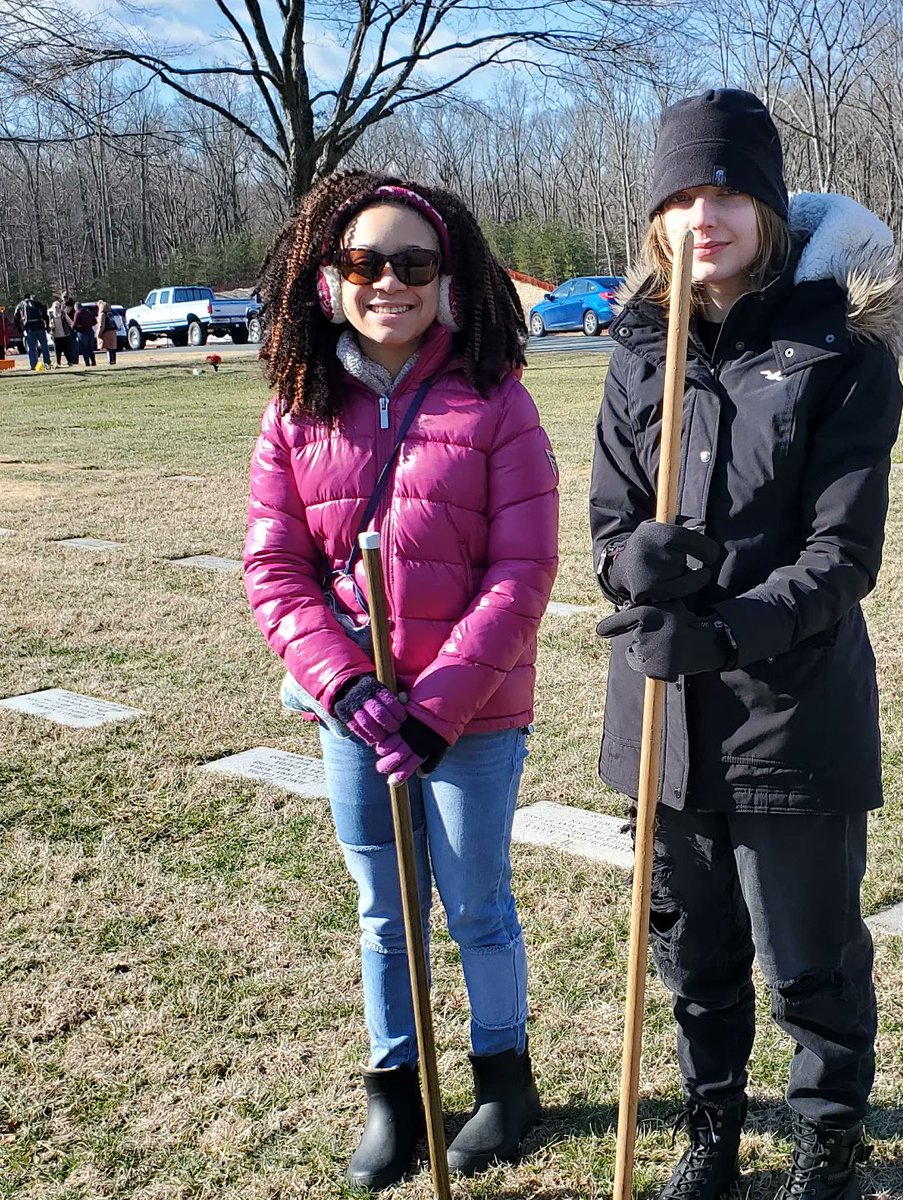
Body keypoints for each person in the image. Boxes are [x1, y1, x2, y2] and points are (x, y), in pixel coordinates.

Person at [590, 90, 903, 1200]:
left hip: (790, 708)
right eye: (679, 194)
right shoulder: (638, 346)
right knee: (695, 950)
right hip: (661, 720)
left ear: (768, 203)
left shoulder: (841, 349)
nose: (702, 213)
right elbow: (608, 522)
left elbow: (842, 555)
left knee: (807, 956)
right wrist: (637, 567)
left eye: (725, 189)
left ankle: (827, 1140)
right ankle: (709, 1131)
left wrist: (722, 631)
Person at [244, 171, 558, 1192]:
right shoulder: (297, 409)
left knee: (476, 909)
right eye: (366, 263)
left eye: (414, 264)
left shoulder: (497, 396)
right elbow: (274, 569)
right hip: (356, 717)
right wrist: (346, 688)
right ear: (328, 279)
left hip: (471, 718)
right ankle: (396, 1089)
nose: (390, 282)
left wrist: (436, 712)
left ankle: (504, 1082)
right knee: (385, 912)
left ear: (449, 276)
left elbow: (524, 572)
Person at [16, 293, 51, 370]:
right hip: (40, 327)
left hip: (29, 329)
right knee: (44, 346)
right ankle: (47, 363)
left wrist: (20, 330)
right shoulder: (38, 303)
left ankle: (33, 365)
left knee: (32, 348)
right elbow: (45, 315)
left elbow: (16, 318)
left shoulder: (21, 305)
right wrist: (47, 326)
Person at [49, 296, 75, 366]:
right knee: (57, 351)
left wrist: (73, 326)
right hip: (56, 336)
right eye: (55, 307)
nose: (57, 308)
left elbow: (70, 321)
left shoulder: (63, 313)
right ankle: (58, 363)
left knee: (67, 350)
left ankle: (70, 362)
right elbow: (48, 324)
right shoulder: (51, 315)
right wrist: (50, 329)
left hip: (65, 334)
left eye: (58, 307)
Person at [72, 301, 97, 366]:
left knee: (84, 349)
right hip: (90, 332)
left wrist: (74, 328)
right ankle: (93, 362)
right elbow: (95, 322)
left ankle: (87, 363)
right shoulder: (89, 312)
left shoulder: (78, 313)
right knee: (90, 348)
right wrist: (89, 325)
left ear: (76, 307)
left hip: (82, 332)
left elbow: (74, 324)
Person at [96, 300, 119, 365]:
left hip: (106, 333)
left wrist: (99, 334)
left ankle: (110, 361)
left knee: (108, 348)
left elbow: (101, 325)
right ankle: (114, 361)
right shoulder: (110, 314)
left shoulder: (102, 315)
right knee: (113, 348)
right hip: (113, 332)